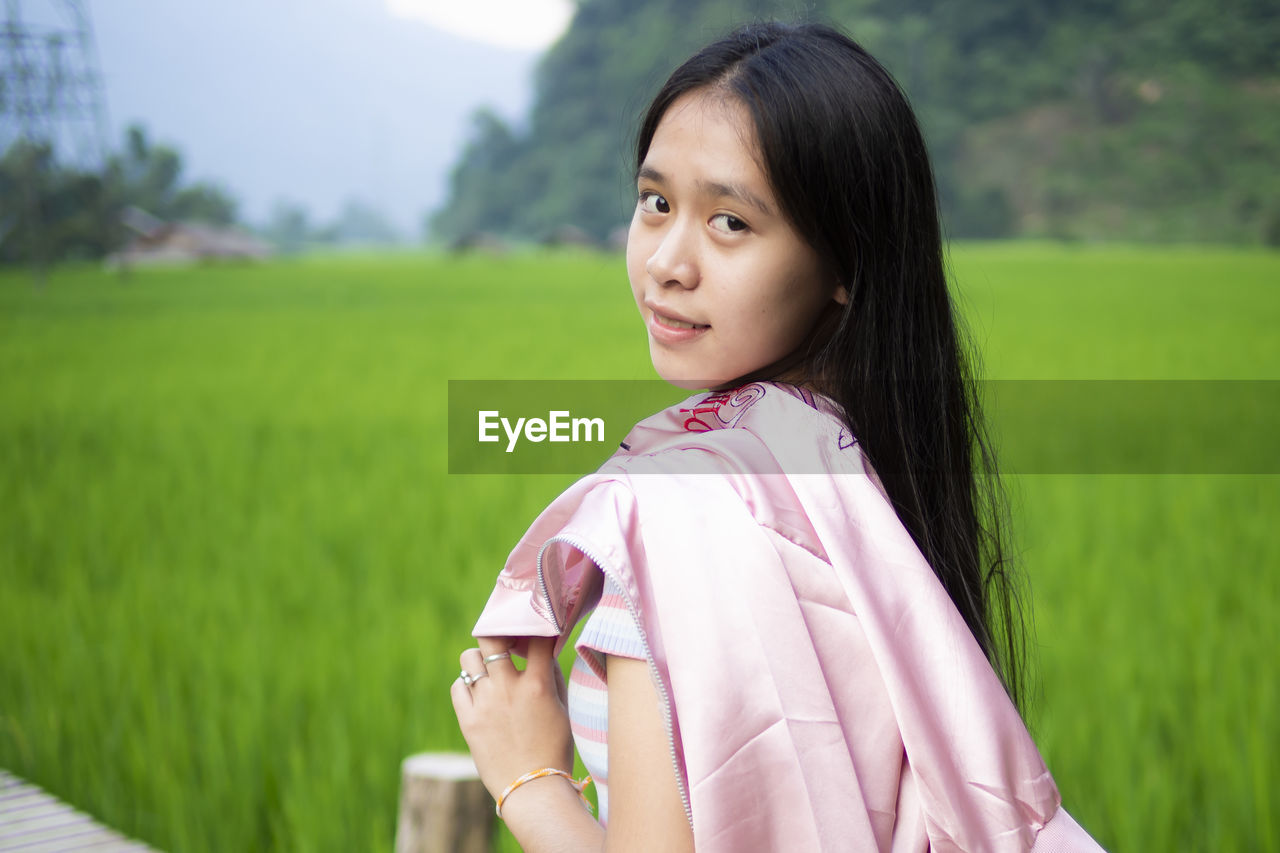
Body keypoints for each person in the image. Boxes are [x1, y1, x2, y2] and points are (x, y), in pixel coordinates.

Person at [450, 21, 1105, 851]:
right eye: (656, 204)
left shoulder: (678, 514)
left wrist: (528, 780)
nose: (667, 262)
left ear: (844, 264)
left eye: (730, 223)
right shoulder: (859, 469)